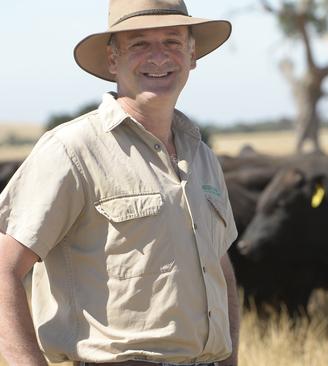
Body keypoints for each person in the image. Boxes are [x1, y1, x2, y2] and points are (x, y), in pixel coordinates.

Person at [0, 1, 240, 365]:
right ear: (113, 60)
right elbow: (3, 268)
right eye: (139, 44)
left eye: (173, 42)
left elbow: (220, 272)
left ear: (192, 55)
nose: (158, 57)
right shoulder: (72, 150)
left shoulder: (202, 156)